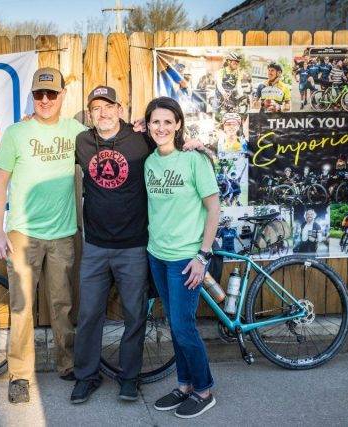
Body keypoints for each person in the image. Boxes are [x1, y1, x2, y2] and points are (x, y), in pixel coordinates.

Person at [0, 67, 85, 404]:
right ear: (32, 97)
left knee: (63, 306)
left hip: (63, 236)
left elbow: (112, 144)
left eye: (52, 94)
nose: (45, 100)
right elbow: (0, 183)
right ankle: (19, 375)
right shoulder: (16, 133)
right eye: (39, 94)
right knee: (22, 307)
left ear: (62, 96)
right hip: (22, 236)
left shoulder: (77, 131)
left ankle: (68, 364)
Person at [70, 86, 151, 404]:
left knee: (134, 314)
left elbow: (172, 143)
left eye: (107, 106)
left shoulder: (140, 138)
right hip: (96, 246)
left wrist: (194, 144)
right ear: (89, 114)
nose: (101, 113)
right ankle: (86, 376)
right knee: (89, 313)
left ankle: (129, 378)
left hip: (134, 245)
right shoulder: (82, 141)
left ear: (119, 108)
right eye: (95, 108)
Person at [144, 97, 220, 419]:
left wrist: (202, 256)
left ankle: (204, 390)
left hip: (186, 258)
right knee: (175, 326)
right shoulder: (149, 163)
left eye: (167, 121)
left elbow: (213, 207)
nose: (161, 127)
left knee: (182, 325)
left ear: (178, 125)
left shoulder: (193, 160)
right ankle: (184, 385)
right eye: (154, 122)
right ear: (148, 126)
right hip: (157, 255)